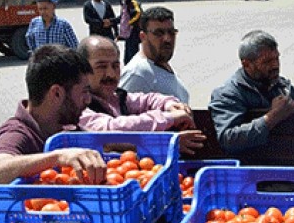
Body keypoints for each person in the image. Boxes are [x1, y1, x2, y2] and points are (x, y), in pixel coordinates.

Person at [0, 45, 105, 185]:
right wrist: (57, 157)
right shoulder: (16, 133)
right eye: (84, 91)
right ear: (56, 93)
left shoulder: (64, 125)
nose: (88, 100)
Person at [76, 36, 206, 155]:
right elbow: (111, 129)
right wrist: (168, 119)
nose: (110, 73)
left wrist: (171, 105)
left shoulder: (115, 98)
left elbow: (147, 99)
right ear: (82, 69)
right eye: (101, 67)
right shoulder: (77, 107)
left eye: (115, 66)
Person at [208, 30, 294, 154]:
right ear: (246, 64)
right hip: (247, 167)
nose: (275, 65)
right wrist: (272, 117)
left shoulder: (284, 88)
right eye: (267, 61)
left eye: (276, 58)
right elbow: (228, 138)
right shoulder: (228, 94)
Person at [119, 6, 189, 104]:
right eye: (159, 33)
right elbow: (120, 111)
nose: (167, 39)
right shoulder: (137, 73)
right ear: (143, 37)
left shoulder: (160, 63)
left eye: (171, 32)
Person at [117, 0, 142, 64]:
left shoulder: (133, 2)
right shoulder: (124, 3)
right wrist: (111, 21)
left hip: (133, 33)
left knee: (133, 56)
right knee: (127, 58)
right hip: (127, 34)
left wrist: (130, 23)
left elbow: (138, 14)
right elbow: (122, 18)